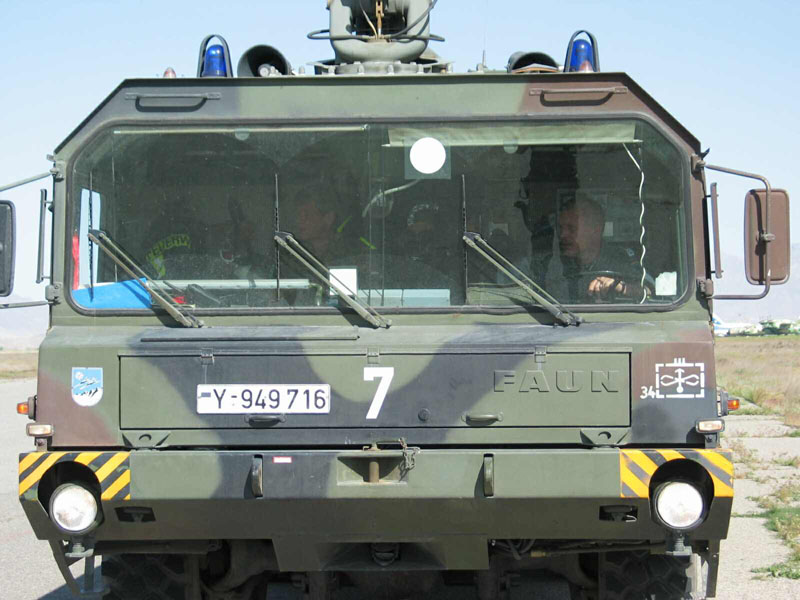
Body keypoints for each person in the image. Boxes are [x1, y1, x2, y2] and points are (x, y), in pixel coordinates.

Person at [556, 197, 647, 302]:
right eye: (560, 228)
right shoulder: (553, 264)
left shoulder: (621, 258)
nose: (563, 235)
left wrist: (622, 288)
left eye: (572, 228)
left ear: (596, 229)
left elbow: (652, 290)